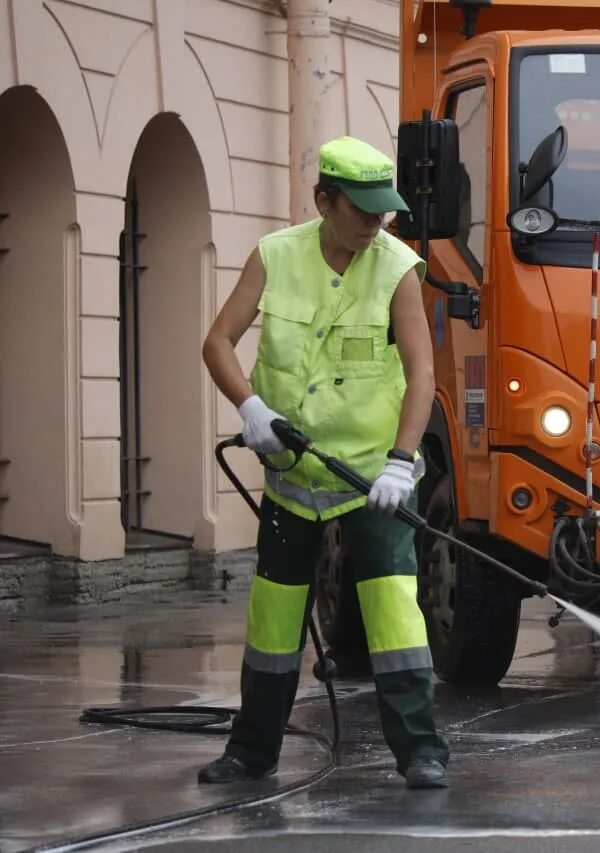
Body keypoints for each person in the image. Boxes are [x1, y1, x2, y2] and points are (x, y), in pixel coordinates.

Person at [199, 135, 449, 788]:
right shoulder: (274, 257)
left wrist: (401, 461)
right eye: (362, 210)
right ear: (324, 201)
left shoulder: (396, 267)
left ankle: (421, 751)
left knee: (393, 610)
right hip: (292, 476)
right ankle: (251, 752)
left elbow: (422, 375)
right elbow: (218, 341)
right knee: (274, 617)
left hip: (372, 476)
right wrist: (251, 407)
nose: (375, 223)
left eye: (383, 211)